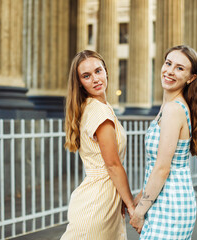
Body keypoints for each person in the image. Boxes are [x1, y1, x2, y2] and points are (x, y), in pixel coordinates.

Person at [129, 45, 197, 239]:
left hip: (170, 203)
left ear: (191, 78)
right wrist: (142, 194)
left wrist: (139, 212)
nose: (170, 71)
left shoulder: (173, 109)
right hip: (166, 199)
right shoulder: (171, 106)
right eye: (168, 63)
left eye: (180, 68)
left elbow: (163, 168)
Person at [61, 50, 135, 239]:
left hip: (101, 199)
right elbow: (112, 165)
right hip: (99, 202)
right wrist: (131, 205)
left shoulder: (94, 107)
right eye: (86, 76)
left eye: (98, 71)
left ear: (106, 72)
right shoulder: (99, 112)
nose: (95, 79)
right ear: (79, 82)